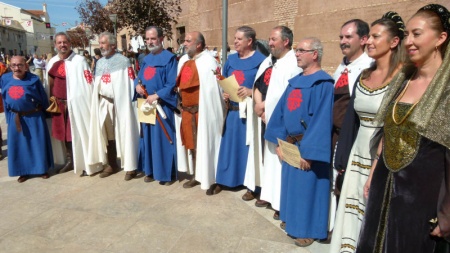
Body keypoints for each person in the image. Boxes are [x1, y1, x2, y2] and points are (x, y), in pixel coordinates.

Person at [357, 4, 450, 252]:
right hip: (383, 184)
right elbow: (388, 132)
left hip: (423, 197)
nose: (408, 41)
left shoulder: (447, 88)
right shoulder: (403, 79)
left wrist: (447, 212)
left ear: (441, 38)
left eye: (416, 34)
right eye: (407, 34)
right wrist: (374, 170)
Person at [330, 12, 405, 253]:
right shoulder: (363, 76)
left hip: (383, 159)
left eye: (375, 36)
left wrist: (376, 167)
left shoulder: (404, 79)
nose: (369, 41)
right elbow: (352, 121)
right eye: (369, 36)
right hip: (356, 155)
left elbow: (394, 128)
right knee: (350, 214)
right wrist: (342, 158)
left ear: (394, 42)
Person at [265, 37, 334, 247]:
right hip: (290, 144)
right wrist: (279, 142)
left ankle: (310, 230)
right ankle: (294, 221)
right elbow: (281, 112)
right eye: (296, 50)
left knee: (309, 189)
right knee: (292, 187)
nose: (297, 54)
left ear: (314, 54)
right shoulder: (295, 82)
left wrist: (309, 152)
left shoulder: (323, 84)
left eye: (301, 51)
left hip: (308, 148)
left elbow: (323, 120)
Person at [245, 26, 302, 219]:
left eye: (273, 39)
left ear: (285, 42)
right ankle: (268, 194)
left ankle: (281, 202)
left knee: (281, 160)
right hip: (264, 116)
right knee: (267, 157)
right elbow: (259, 84)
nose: (269, 43)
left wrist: (267, 109)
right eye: (269, 39)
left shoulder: (293, 63)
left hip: (281, 120)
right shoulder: (269, 61)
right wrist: (259, 104)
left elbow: (288, 95)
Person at [210, 26, 266, 196]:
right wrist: (225, 93)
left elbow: (266, 87)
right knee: (229, 147)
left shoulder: (262, 61)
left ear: (249, 41)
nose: (235, 41)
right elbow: (225, 80)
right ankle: (225, 179)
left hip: (250, 115)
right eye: (235, 38)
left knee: (249, 149)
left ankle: (251, 185)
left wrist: (250, 92)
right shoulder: (231, 60)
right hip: (233, 112)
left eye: (239, 39)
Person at [175, 31, 224, 190]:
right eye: (185, 40)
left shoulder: (209, 62)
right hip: (188, 111)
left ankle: (213, 178)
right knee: (192, 145)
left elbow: (212, 90)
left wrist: (206, 109)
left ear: (198, 44)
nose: (184, 43)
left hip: (204, 111)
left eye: (188, 41)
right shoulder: (183, 60)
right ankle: (197, 175)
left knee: (207, 143)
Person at [88, 32, 140, 180]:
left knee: (125, 131)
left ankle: (130, 166)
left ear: (112, 45)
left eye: (103, 43)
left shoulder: (123, 61)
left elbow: (129, 84)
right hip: (104, 102)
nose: (101, 46)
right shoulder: (100, 62)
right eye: (100, 43)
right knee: (108, 135)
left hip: (120, 103)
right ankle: (112, 164)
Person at [45, 32, 94, 175]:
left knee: (79, 132)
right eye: (59, 43)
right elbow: (49, 84)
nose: (62, 45)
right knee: (65, 135)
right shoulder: (52, 62)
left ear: (70, 43)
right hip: (59, 105)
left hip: (77, 105)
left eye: (65, 42)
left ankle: (85, 161)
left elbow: (87, 83)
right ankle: (70, 160)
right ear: (55, 45)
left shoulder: (79, 61)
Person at [135, 26, 178, 185]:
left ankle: (166, 174)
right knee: (148, 140)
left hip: (162, 106)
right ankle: (150, 170)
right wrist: (137, 86)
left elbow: (172, 83)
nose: (150, 42)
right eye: (147, 39)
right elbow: (138, 78)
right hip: (146, 105)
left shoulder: (170, 58)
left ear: (161, 39)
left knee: (162, 140)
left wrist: (157, 95)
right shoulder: (146, 59)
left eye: (153, 38)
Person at [0, 56, 53, 183]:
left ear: (26, 66)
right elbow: (4, 99)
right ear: (10, 66)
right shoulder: (5, 79)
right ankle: (22, 171)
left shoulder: (34, 79)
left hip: (34, 116)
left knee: (37, 144)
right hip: (15, 117)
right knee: (19, 146)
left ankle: (41, 169)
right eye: (14, 65)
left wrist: (47, 114)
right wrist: (8, 118)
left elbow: (43, 97)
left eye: (20, 65)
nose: (17, 68)